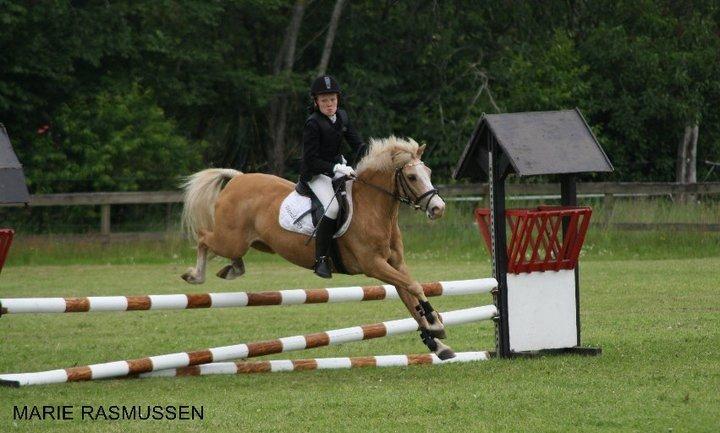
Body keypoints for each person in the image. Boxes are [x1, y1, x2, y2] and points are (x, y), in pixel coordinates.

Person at [300, 75, 367, 279]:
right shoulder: (313, 123)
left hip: (339, 167)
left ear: (337, 99)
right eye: (324, 101)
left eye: (332, 100)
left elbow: (358, 144)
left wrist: (371, 155)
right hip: (316, 173)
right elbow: (311, 160)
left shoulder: (343, 117)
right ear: (316, 102)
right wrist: (336, 167)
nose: (329, 105)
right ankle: (321, 259)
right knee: (334, 207)